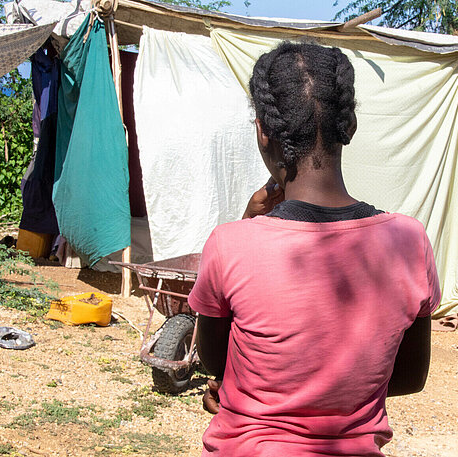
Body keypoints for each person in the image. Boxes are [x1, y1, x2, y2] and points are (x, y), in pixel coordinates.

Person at [188, 41, 441, 457]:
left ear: (262, 131)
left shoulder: (230, 243)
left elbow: (216, 361)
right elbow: (410, 377)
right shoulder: (409, 242)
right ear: (350, 125)